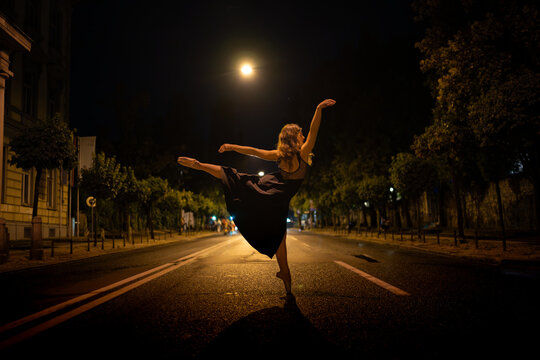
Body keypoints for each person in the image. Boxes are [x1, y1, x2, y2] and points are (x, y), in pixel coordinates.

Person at [177, 99, 336, 295]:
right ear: (295, 138)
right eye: (301, 134)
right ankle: (286, 278)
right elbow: (315, 129)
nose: (304, 136)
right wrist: (318, 109)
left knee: (236, 177)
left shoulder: (278, 154)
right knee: (280, 238)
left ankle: (200, 165)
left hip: (268, 189)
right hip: (278, 199)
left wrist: (231, 146)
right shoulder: (303, 154)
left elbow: (253, 151)